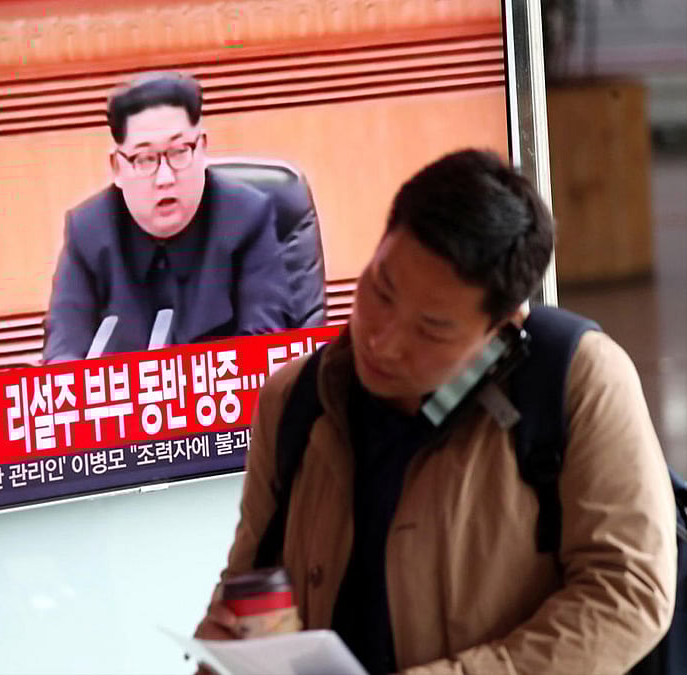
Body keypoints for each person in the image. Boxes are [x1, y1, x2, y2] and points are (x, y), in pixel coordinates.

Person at [194, 149, 677, 674]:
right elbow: (250, 584)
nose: (382, 341)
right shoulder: (297, 400)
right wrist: (228, 651)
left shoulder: (574, 380)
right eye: (381, 291)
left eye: (431, 329)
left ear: (502, 328)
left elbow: (627, 594)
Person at [43, 72, 292, 362]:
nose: (165, 178)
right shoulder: (87, 233)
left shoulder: (247, 218)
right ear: (117, 168)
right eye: (144, 159)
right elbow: (63, 351)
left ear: (202, 149)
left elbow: (267, 345)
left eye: (179, 151)